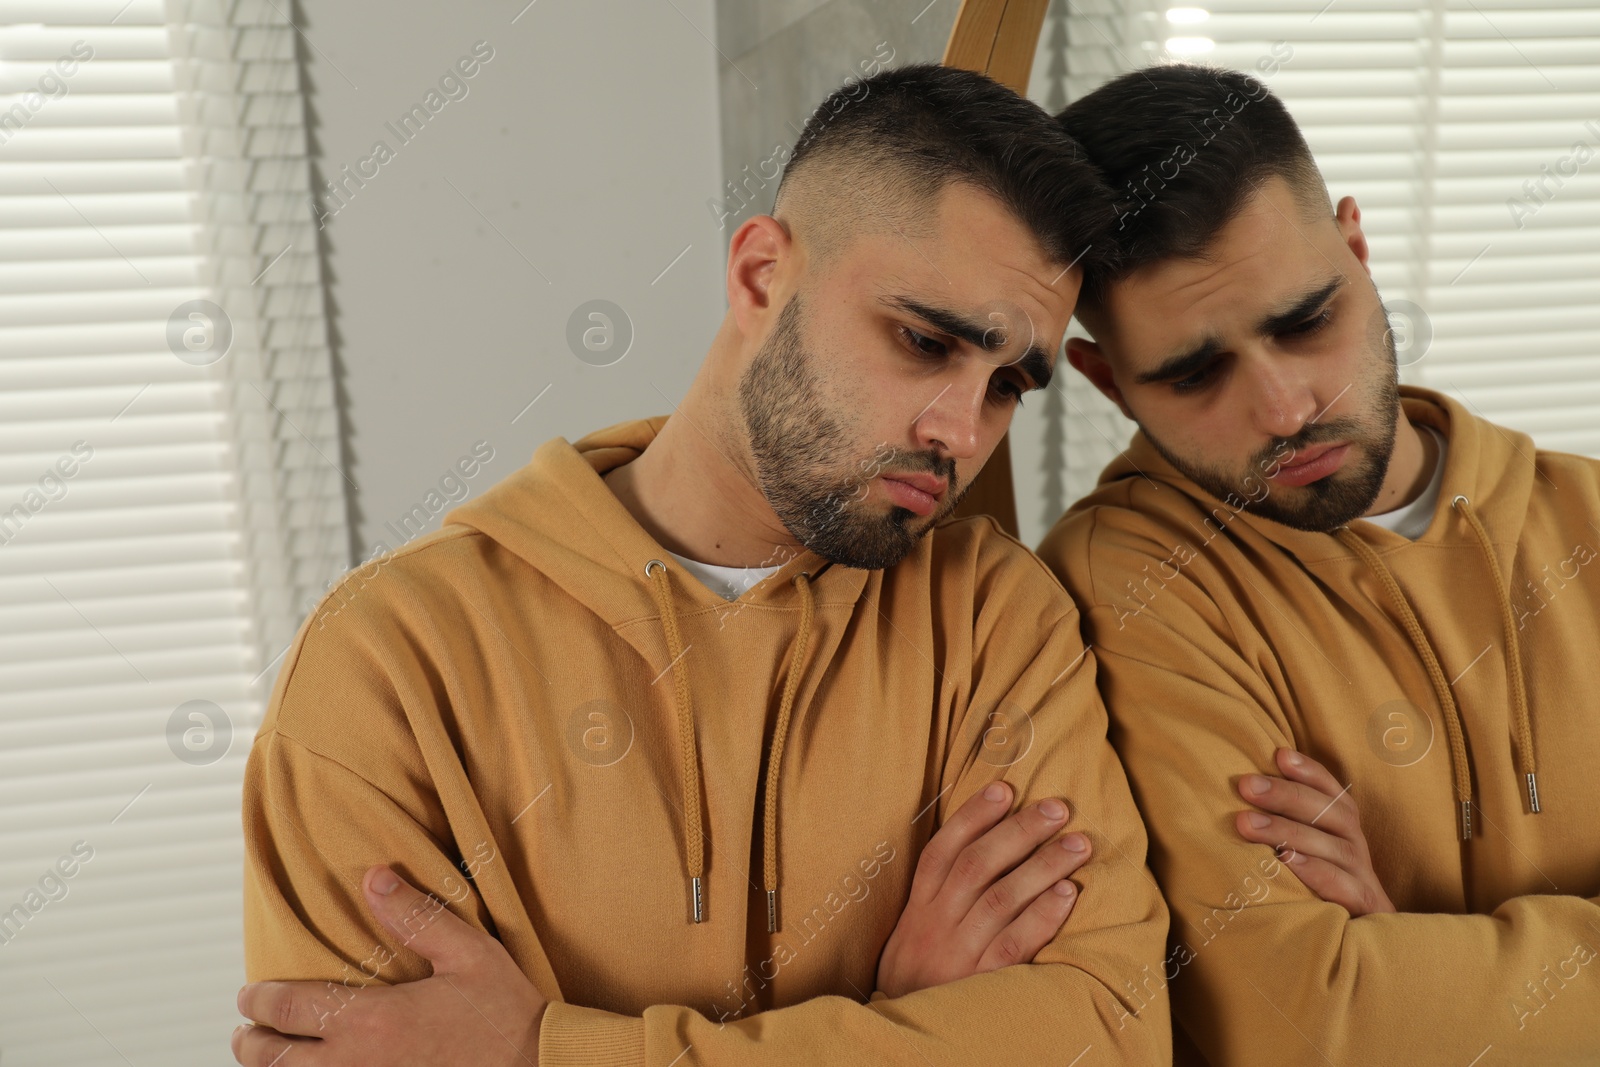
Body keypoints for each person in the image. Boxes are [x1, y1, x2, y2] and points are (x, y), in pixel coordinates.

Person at [232, 63, 1171, 1066]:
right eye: (924, 339)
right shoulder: (387, 660)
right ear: (762, 275)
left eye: (1006, 385)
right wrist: (898, 1016)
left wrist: (546, 1050)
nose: (959, 430)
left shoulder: (994, 619)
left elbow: (1107, 1037)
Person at [1036, 64, 1600, 1065]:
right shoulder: (1121, 590)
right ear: (1107, 380)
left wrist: (1401, 952)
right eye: (1194, 371)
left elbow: (1368, 1017)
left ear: (1354, 244)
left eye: (1304, 320)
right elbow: (1301, 1019)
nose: (1286, 407)